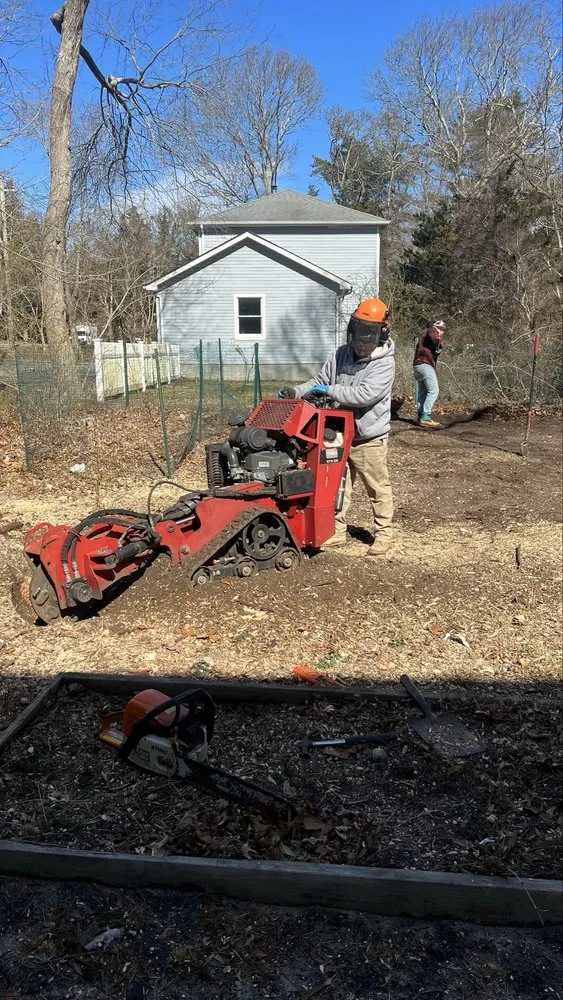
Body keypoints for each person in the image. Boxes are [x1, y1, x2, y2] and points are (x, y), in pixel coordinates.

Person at [278, 298, 395, 557]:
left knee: (377, 487)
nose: (361, 341)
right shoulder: (342, 353)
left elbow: (365, 395)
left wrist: (330, 391)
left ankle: (384, 533)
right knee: (337, 485)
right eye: (358, 332)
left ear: (381, 333)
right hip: (339, 434)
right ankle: (336, 530)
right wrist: (296, 392)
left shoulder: (385, 363)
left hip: (368, 437)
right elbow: (320, 380)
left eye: (368, 334)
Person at [413, 321, 446, 428]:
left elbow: (435, 351)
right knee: (434, 390)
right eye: (440, 328)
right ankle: (425, 417)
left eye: (443, 329)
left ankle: (420, 416)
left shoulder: (429, 339)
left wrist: (438, 347)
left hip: (418, 365)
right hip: (425, 364)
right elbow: (433, 335)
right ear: (436, 327)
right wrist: (439, 340)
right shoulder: (432, 331)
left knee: (423, 392)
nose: (441, 331)